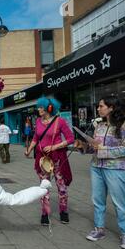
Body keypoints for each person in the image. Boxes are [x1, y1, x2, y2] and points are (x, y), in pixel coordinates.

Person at [76, 96, 125, 249]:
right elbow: (94, 148)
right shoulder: (100, 126)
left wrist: (103, 149)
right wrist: (83, 146)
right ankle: (99, 229)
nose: (98, 108)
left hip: (115, 168)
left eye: (101, 106)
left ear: (111, 107)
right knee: (98, 200)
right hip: (96, 167)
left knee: (120, 203)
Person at [25, 97, 74, 226]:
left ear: (49, 108)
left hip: (57, 157)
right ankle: (45, 213)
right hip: (43, 159)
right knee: (44, 186)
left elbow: (70, 139)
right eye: (39, 107)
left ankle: (63, 211)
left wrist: (54, 147)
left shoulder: (60, 121)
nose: (39, 109)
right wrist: (29, 149)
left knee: (61, 185)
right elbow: (36, 137)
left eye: (41, 107)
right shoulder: (39, 122)